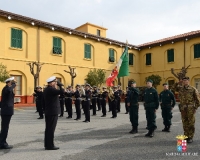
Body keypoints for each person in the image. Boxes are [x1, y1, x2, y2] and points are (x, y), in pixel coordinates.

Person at [172, 76, 200, 143]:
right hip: (183, 109)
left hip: (190, 108)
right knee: (185, 123)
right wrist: (178, 83)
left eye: (186, 80)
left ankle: (190, 137)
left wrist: (195, 107)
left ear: (188, 81)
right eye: (184, 81)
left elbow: (198, 100)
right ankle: (186, 136)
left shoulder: (193, 89)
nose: (185, 82)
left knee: (191, 123)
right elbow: (173, 88)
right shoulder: (180, 89)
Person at [43, 76, 64, 150]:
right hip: (52, 111)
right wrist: (61, 85)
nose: (56, 83)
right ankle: (50, 145)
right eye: (55, 82)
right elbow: (62, 92)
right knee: (51, 129)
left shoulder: (47, 89)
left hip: (49, 111)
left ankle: (47, 144)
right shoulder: (51, 89)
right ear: (51, 83)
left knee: (48, 129)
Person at [0, 77, 16, 149]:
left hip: (7, 110)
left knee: (5, 127)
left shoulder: (8, 89)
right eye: (12, 82)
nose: (14, 83)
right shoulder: (6, 89)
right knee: (5, 128)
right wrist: (13, 85)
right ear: (9, 82)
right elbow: (9, 90)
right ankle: (2, 143)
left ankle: (2, 142)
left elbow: (11, 94)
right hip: (6, 111)